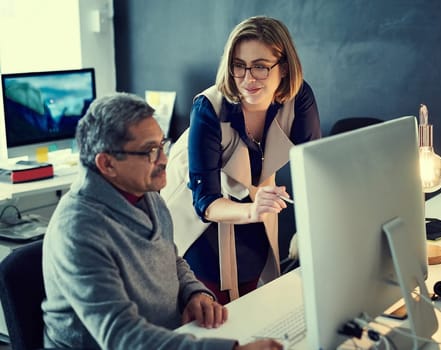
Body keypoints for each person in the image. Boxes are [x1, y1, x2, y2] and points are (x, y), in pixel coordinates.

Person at [42, 93, 282, 350]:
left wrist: (194, 292)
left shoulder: (147, 195)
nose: (164, 159)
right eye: (150, 151)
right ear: (107, 163)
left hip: (163, 337)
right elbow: (122, 337)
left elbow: (170, 256)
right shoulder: (78, 230)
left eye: (162, 145)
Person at [162, 16, 321, 304]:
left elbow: (315, 168)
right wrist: (252, 211)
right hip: (195, 209)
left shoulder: (299, 97)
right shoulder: (208, 108)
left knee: (257, 284)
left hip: (252, 197)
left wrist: (313, 228)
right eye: (239, 65)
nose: (248, 79)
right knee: (213, 299)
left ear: (283, 68)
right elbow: (205, 203)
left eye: (261, 66)